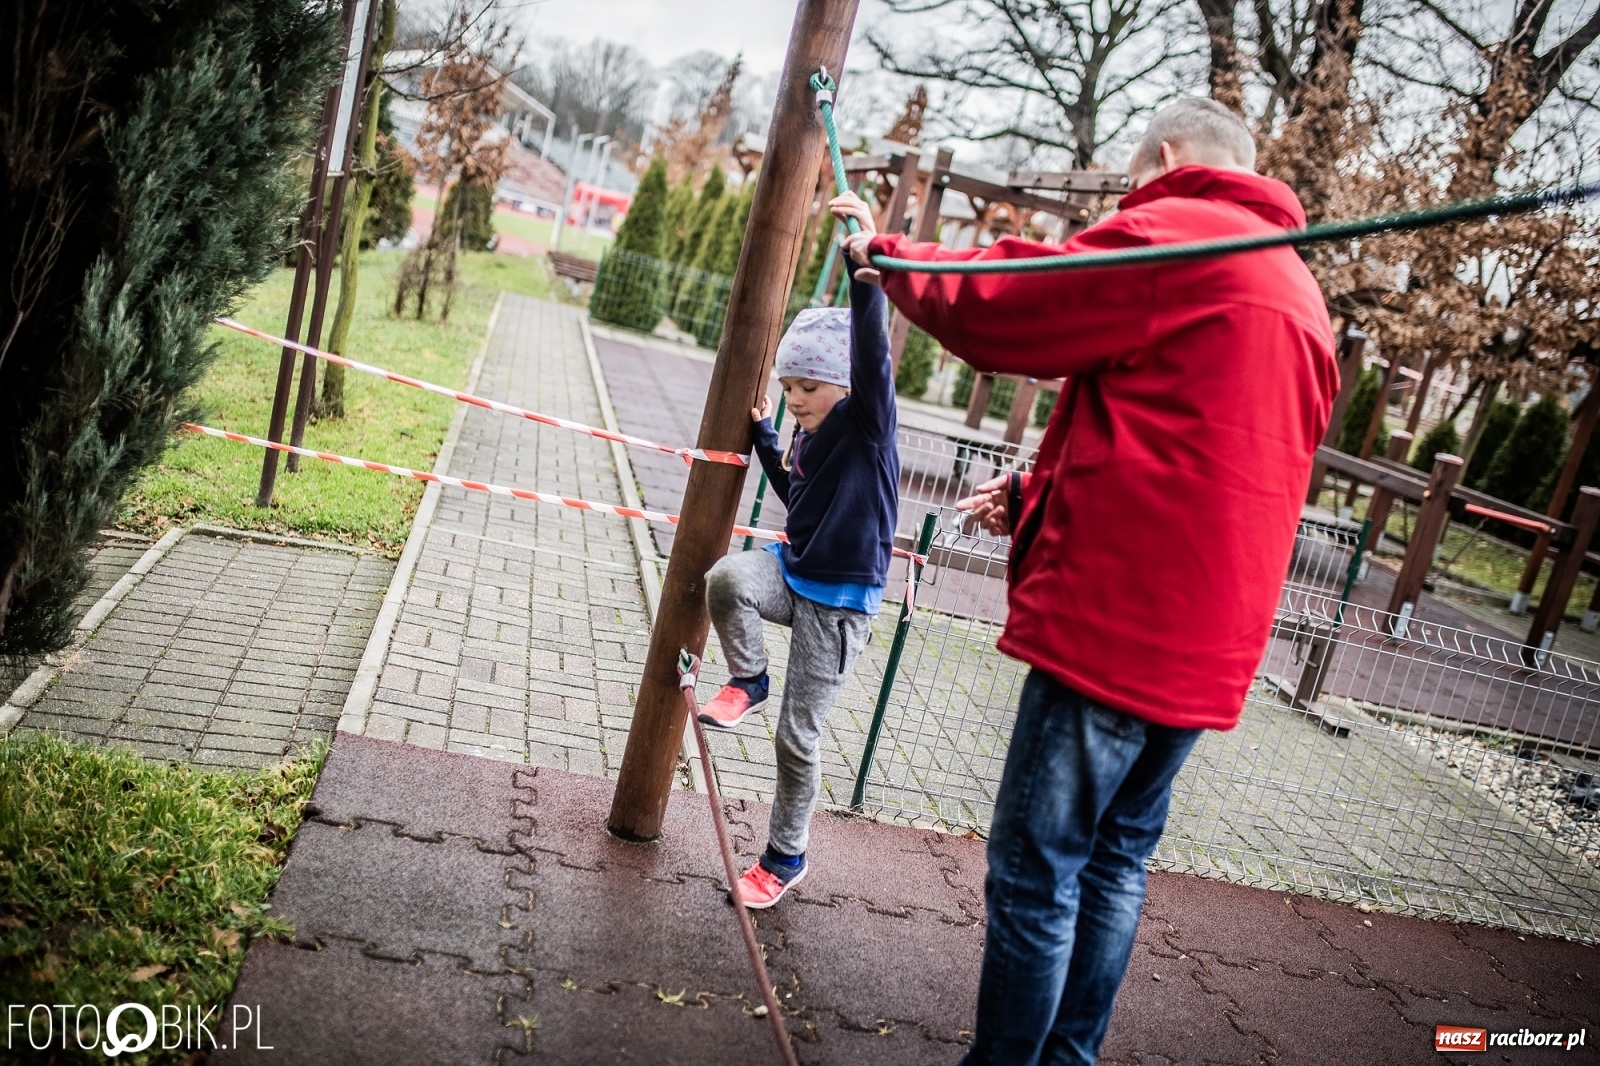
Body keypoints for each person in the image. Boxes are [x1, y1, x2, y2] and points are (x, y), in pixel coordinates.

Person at [843, 98, 1339, 1064]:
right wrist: (1039, 492)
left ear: (1161, 158)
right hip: (1208, 648)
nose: (1121, 201)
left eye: (1125, 183)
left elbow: (1023, 303)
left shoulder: (1177, 235)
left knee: (1037, 870)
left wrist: (892, 258)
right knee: (1116, 863)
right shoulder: (1299, 294)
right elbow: (1204, 458)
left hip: (1120, 633)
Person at [698, 192, 900, 910]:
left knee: (796, 739)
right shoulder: (811, 435)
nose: (796, 399)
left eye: (807, 387)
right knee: (726, 578)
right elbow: (800, 498)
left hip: (839, 605)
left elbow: (874, 361)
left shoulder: (869, 426)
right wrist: (769, 442)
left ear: (842, 385)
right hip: (796, 571)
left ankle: (784, 858)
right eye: (789, 388)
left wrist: (865, 274)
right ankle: (747, 680)